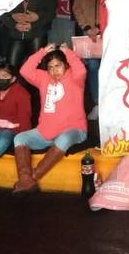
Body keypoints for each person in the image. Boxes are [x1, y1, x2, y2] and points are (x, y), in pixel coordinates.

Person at [12, 44, 87, 194]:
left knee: (64, 138)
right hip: (45, 132)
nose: (54, 71)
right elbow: (24, 71)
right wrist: (42, 52)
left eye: (58, 66)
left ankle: (29, 179)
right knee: (20, 138)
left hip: (74, 130)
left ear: (66, 65)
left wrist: (67, 52)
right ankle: (27, 179)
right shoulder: (43, 77)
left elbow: (81, 69)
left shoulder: (75, 78)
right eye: (50, 67)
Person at [0, 0, 57, 69]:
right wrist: (13, 22)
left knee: (37, 66)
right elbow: (0, 11)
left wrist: (37, 17)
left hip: (36, 34)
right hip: (15, 34)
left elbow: (51, 13)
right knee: (11, 66)